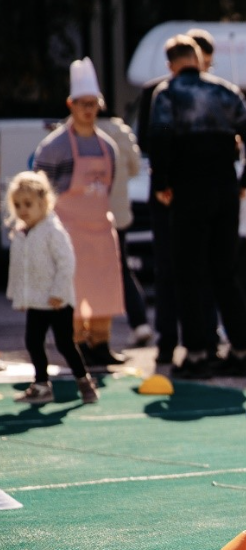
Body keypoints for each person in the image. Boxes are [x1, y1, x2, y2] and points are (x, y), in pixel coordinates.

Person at [149, 35, 246, 378]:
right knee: (225, 272)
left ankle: (198, 353)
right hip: (225, 188)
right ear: (199, 59)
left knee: (189, 273)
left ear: (171, 65)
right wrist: (244, 182)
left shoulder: (168, 94)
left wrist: (162, 184)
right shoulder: (225, 92)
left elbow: (160, 137)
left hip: (188, 189)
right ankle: (241, 350)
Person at [33, 57, 126, 370]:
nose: (88, 109)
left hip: (100, 229)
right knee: (71, 290)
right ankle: (74, 344)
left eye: (93, 103)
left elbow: (110, 183)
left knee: (104, 288)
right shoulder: (53, 148)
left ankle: (100, 343)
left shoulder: (108, 146)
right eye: (82, 103)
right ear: (70, 104)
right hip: (67, 231)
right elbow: (40, 191)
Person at [138, 28, 222, 368]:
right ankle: (168, 340)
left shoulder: (216, 93)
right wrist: (164, 183)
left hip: (197, 194)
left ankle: (205, 340)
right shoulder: (157, 93)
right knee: (169, 269)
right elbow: (151, 141)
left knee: (202, 268)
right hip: (168, 193)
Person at [4, 171, 98, 404]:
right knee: (33, 342)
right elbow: (20, 269)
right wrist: (18, 296)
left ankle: (84, 381)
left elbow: (66, 263)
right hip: (37, 300)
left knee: (65, 344)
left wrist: (58, 292)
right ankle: (41, 385)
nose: (22, 210)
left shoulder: (52, 230)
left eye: (28, 204)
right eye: (17, 205)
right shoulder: (21, 233)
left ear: (43, 203)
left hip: (57, 301)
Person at [97, 111, 151, 347]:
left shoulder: (79, 131)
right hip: (118, 213)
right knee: (121, 269)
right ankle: (139, 323)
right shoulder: (121, 131)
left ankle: (93, 336)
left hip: (90, 215)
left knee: (91, 272)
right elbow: (135, 167)